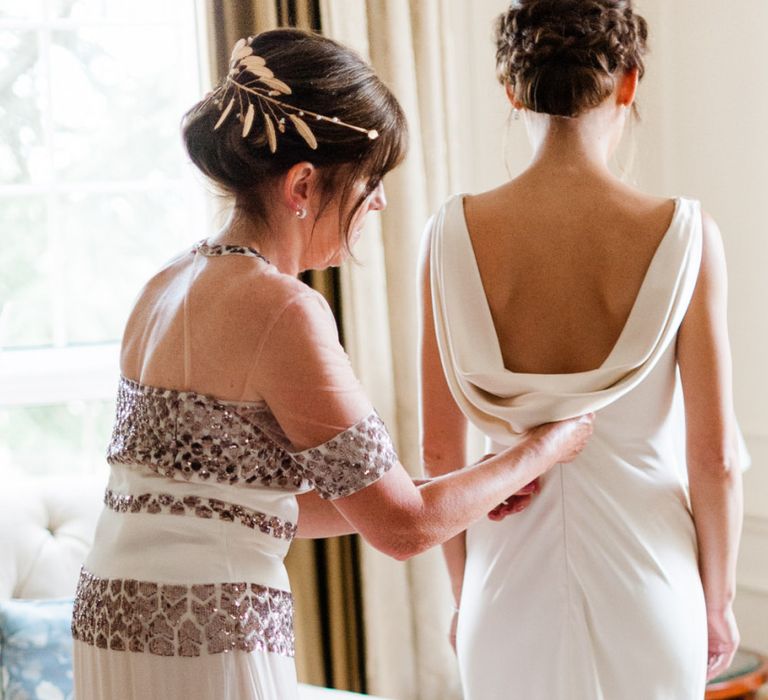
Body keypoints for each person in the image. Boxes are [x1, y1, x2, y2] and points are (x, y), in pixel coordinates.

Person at [70, 28, 593, 700]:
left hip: (113, 622)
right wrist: (544, 449)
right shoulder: (282, 308)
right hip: (204, 638)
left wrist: (471, 487)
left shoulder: (166, 283)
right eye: (370, 181)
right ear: (303, 184)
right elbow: (404, 528)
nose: (378, 201)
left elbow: (239, 507)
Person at [420, 1, 744, 698]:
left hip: (502, 582)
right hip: (652, 581)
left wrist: (462, 589)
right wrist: (715, 600)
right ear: (628, 82)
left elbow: (440, 455)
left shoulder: (447, 238)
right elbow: (714, 459)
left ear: (511, 89)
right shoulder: (686, 236)